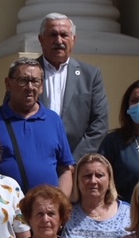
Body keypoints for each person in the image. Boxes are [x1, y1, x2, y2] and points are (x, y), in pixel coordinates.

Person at [0, 57, 74, 196]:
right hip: (5, 209)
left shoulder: (53, 120)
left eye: (35, 81)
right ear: (8, 84)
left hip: (45, 212)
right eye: (23, 80)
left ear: (41, 86)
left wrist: (60, 204)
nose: (30, 87)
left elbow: (65, 169)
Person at [36, 13, 109, 159]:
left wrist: (74, 161)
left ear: (73, 40)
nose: (59, 40)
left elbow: (99, 124)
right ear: (41, 39)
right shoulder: (26, 73)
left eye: (64, 35)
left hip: (76, 164)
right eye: (53, 34)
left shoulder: (91, 75)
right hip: (36, 159)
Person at [63, 153, 130, 238]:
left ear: (109, 179)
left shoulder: (128, 212)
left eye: (99, 175)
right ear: (77, 180)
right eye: (87, 176)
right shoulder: (66, 213)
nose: (93, 181)